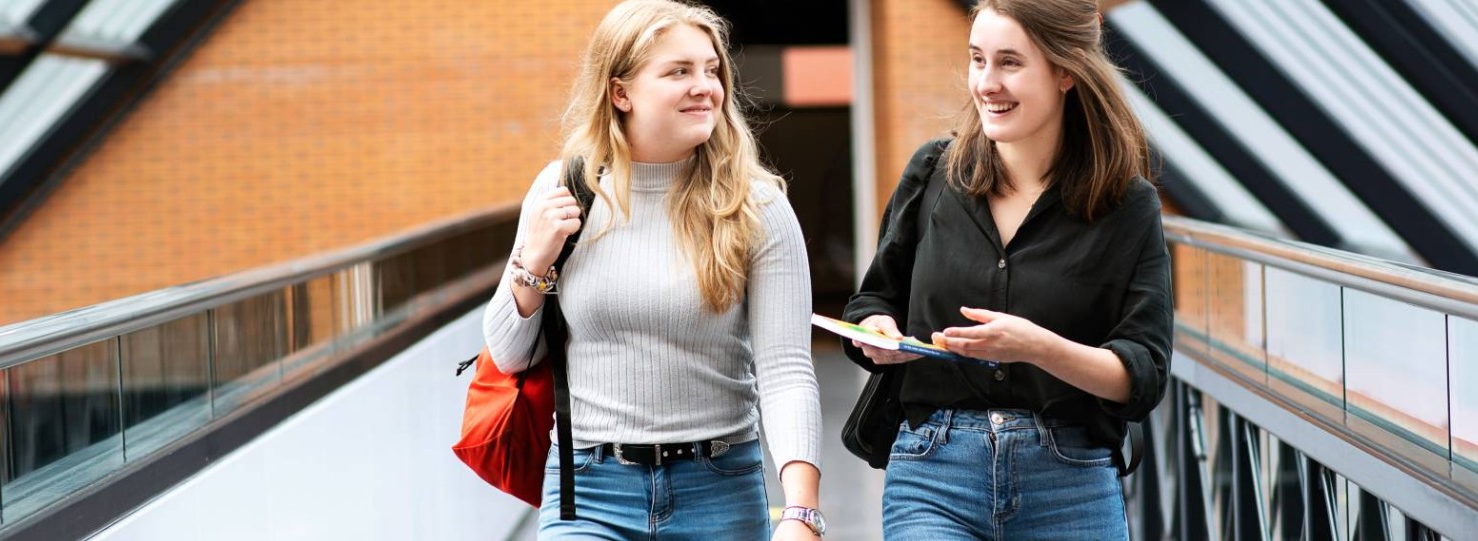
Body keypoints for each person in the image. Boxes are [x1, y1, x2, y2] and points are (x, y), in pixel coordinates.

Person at [482, 1, 824, 538]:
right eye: (678, 72)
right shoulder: (563, 189)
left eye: (711, 70)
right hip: (588, 488)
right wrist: (534, 260)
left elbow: (786, 371)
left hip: (719, 488)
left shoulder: (756, 205)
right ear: (620, 93)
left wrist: (802, 511)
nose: (704, 86)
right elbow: (508, 354)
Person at [842, 0, 1172, 538]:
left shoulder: (1127, 205)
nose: (986, 83)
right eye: (977, 60)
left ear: (1065, 70)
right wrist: (874, 331)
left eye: (1009, 63)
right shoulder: (932, 174)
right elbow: (874, 299)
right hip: (933, 472)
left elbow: (1143, 375)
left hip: (1071, 485)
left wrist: (1039, 347)